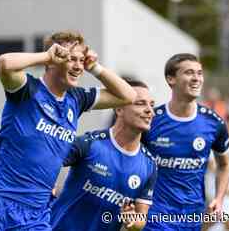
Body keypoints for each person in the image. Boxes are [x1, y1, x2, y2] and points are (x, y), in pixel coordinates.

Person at [0, 30, 137, 230]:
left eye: (81, 60)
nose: (78, 66)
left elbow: (128, 96)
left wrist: (95, 67)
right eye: (72, 59)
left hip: (37, 212)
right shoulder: (28, 89)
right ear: (53, 60)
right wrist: (46, 56)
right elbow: (4, 63)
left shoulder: (76, 99)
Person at [51, 79, 157, 231]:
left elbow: (141, 218)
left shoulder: (149, 165)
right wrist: (47, 185)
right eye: (140, 103)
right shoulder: (90, 143)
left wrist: (133, 222)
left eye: (151, 105)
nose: (150, 111)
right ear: (119, 109)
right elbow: (46, 161)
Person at [142, 53, 229, 230]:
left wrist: (219, 199)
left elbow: (224, 165)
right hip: (155, 215)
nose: (196, 78)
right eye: (189, 73)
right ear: (171, 79)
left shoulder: (214, 123)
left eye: (199, 73)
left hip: (192, 216)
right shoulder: (151, 120)